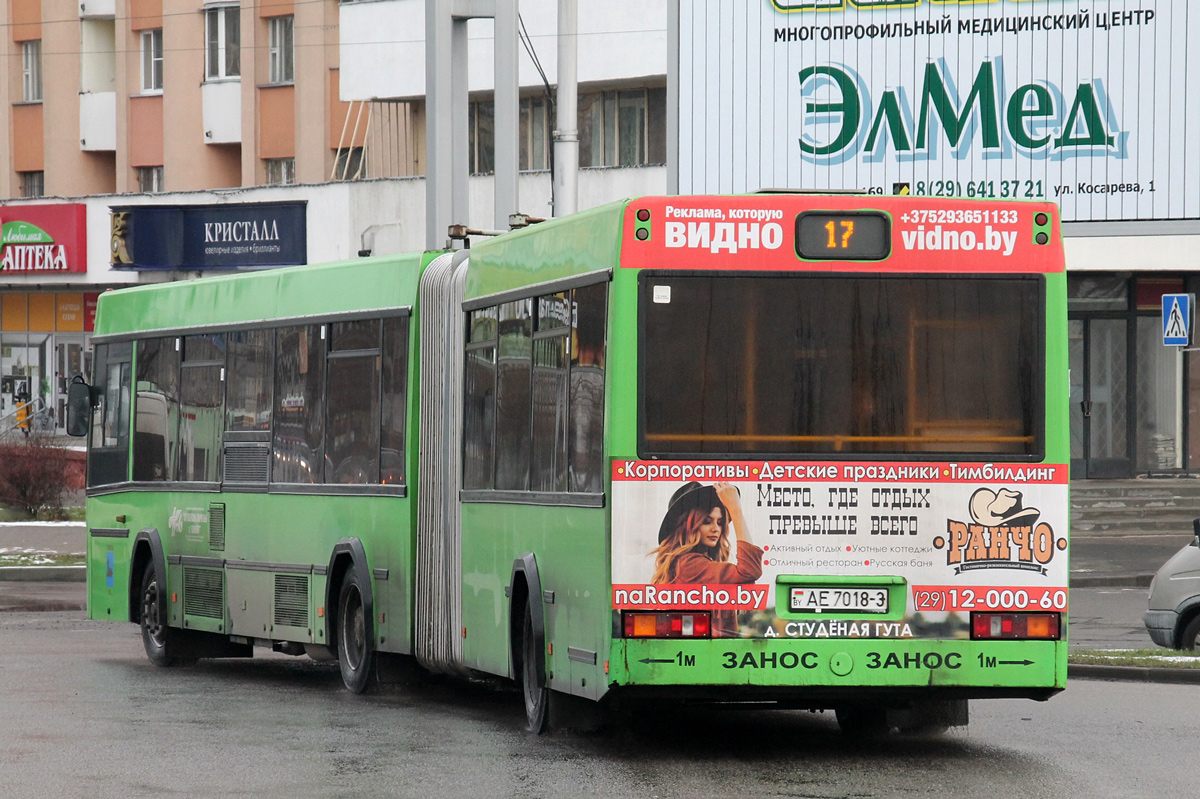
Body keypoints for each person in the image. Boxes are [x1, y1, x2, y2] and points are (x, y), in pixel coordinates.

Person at [650, 480, 762, 636]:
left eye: (720, 522)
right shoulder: (689, 564)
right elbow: (750, 570)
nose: (716, 529)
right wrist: (735, 510)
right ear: (687, 526)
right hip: (704, 654)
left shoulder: (702, 565)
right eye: (707, 522)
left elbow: (748, 584)